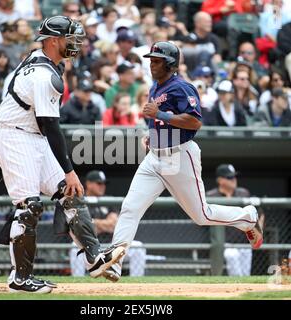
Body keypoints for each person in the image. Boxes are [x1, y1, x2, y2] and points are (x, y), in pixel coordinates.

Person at [96, 41, 264, 282]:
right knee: (130, 208)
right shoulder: (156, 86)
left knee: (201, 215)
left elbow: (195, 122)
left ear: (171, 64)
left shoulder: (182, 87)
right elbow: (160, 120)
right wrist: (153, 133)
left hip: (180, 155)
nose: (152, 64)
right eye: (151, 60)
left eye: (157, 60)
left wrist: (160, 115)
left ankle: (247, 217)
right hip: (154, 157)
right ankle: (115, 262)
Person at [0, 16, 124, 293]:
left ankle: (94, 257)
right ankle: (20, 278)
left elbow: (44, 128)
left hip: (32, 136)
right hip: (16, 137)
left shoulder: (40, 60)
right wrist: (70, 169)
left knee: (69, 192)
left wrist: (67, 176)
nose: (75, 44)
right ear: (53, 41)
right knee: (29, 207)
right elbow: (51, 126)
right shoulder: (44, 75)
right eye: (69, 39)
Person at [70, 170, 146, 279]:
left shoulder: (108, 200)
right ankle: (78, 281)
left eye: (104, 184)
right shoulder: (80, 200)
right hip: (90, 245)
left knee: (138, 247)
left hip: (111, 245)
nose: (102, 186)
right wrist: (103, 224)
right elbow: (83, 229)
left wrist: (94, 223)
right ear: (88, 184)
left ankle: (136, 282)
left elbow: (114, 225)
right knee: (74, 247)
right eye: (99, 183)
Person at [207, 164, 263, 276]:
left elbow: (259, 213)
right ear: (220, 180)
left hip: (244, 243)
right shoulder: (211, 196)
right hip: (225, 244)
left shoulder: (243, 193)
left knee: (245, 275)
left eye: (234, 177)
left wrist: (258, 231)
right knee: (233, 260)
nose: (233, 180)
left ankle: (241, 290)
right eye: (229, 177)